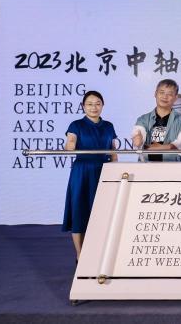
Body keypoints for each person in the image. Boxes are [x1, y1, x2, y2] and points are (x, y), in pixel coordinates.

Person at [63, 90, 117, 262]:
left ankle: (98, 252)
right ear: (83, 106)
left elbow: (113, 152)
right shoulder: (76, 125)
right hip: (82, 172)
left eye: (97, 104)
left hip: (103, 170)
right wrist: (70, 145)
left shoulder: (108, 126)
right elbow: (70, 143)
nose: (94, 107)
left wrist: (115, 170)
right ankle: (80, 255)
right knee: (79, 209)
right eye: (90, 104)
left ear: (102, 105)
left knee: (101, 211)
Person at [132, 79, 181, 162]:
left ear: (175, 98)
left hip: (172, 166)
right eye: (162, 92)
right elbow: (138, 142)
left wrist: (157, 147)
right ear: (155, 94)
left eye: (169, 94)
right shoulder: (143, 119)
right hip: (146, 166)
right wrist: (138, 141)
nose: (165, 97)